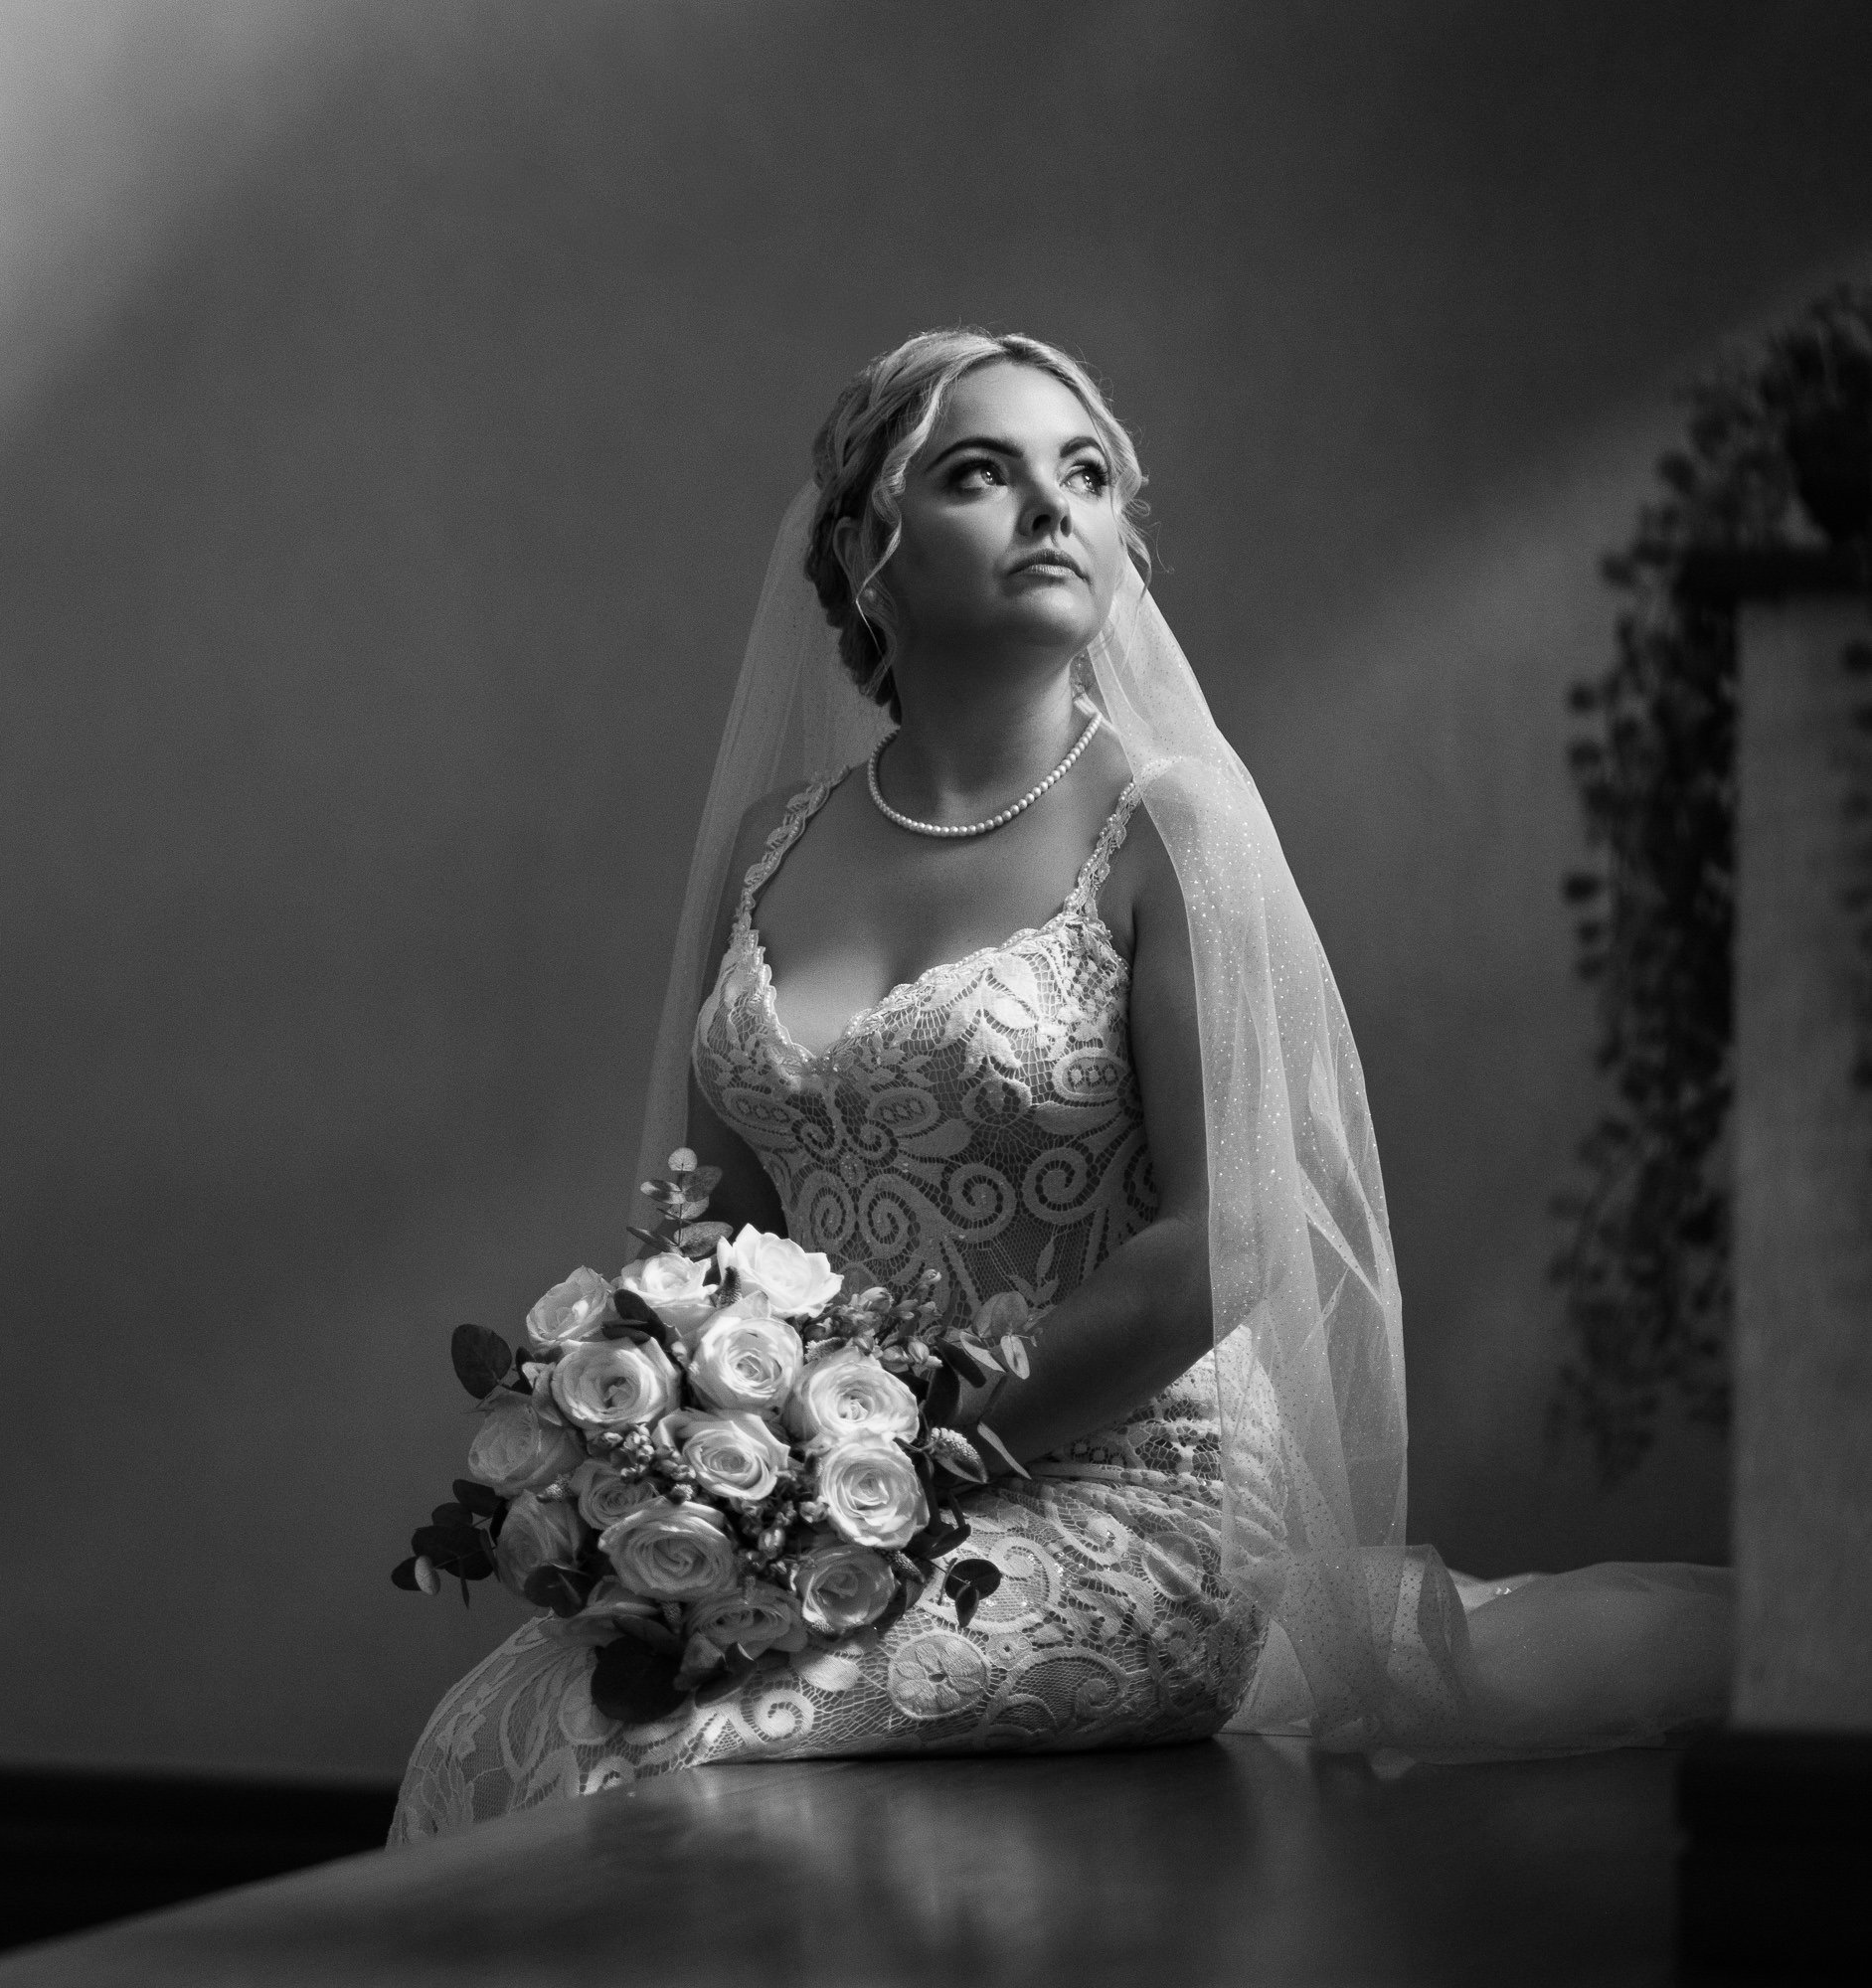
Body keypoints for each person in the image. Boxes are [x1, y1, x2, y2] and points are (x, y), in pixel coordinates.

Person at [389, 329, 1730, 1845]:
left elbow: (1226, 1239)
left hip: (1142, 1501)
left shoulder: (1175, 825)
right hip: (829, 1491)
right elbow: (719, 1241)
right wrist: (692, 1471)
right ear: (863, 554)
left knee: (672, 1755)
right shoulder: (773, 844)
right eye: (983, 473)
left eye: (1087, 477)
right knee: (497, 1727)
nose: (1053, 507)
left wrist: (894, 1438)